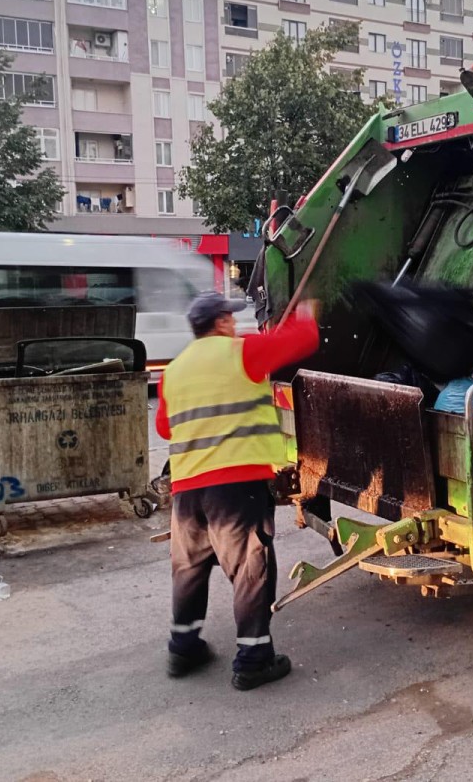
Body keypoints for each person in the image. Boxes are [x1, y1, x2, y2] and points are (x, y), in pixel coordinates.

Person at [157, 291, 319, 691]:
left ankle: (184, 647)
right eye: (230, 318)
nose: (235, 324)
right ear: (222, 324)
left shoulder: (173, 370)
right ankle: (253, 659)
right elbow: (304, 341)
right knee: (250, 569)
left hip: (188, 490)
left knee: (189, 569)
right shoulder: (241, 353)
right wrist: (306, 312)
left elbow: (164, 427)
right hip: (235, 486)